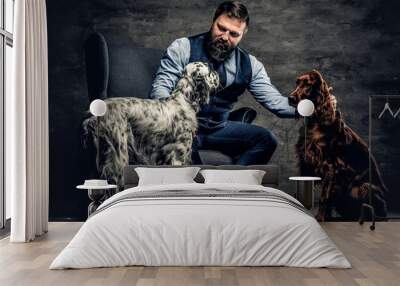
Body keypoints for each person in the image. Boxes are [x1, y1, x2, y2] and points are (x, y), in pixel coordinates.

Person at [149, 1, 298, 165]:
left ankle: (233, 181)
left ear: (243, 34)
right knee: (193, 172)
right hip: (181, 128)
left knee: (267, 140)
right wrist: (176, 123)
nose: (225, 37)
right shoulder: (182, 47)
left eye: (234, 34)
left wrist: (314, 107)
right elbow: (160, 90)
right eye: (221, 28)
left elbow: (276, 102)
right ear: (213, 22)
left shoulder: (250, 64)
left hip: (217, 129)